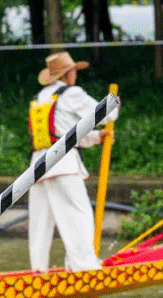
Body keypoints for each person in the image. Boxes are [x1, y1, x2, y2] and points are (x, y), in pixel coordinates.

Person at [28, 52, 118, 273]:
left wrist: (96, 138)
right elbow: (106, 114)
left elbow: (62, 133)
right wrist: (114, 103)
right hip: (62, 165)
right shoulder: (71, 93)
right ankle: (83, 267)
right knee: (78, 214)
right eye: (74, 71)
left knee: (40, 223)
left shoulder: (42, 97)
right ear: (68, 73)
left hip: (38, 167)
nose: (76, 76)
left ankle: (38, 271)